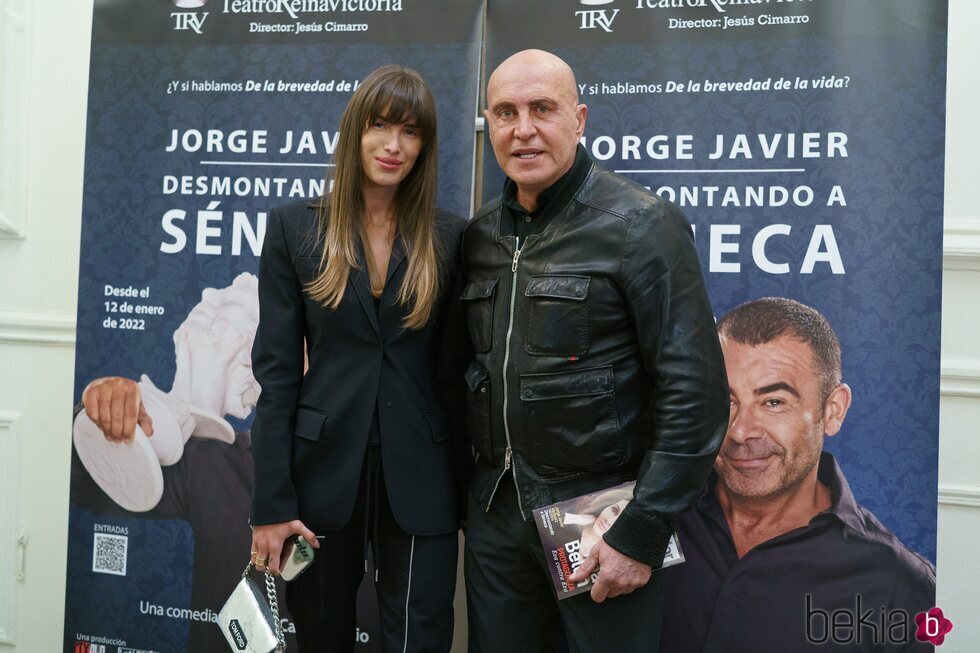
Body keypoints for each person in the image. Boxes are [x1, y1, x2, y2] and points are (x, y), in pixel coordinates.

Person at [460, 49, 729, 652]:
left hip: (601, 514)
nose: (522, 129)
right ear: (487, 125)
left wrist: (644, 528)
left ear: (579, 119)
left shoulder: (642, 225)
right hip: (497, 515)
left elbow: (697, 393)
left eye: (542, 109)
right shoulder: (480, 237)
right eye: (504, 113)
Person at [248, 65, 467, 653]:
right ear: (354, 131)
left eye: (411, 132)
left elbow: (455, 377)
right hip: (319, 474)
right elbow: (275, 373)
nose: (393, 146)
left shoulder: (451, 238)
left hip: (422, 478)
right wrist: (270, 504)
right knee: (321, 634)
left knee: (419, 637)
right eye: (379, 126)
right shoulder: (295, 228)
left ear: (425, 145)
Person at [659, 297, 937, 652]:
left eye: (773, 402)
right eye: (725, 401)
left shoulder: (902, 585)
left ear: (833, 410)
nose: (741, 431)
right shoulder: (650, 508)